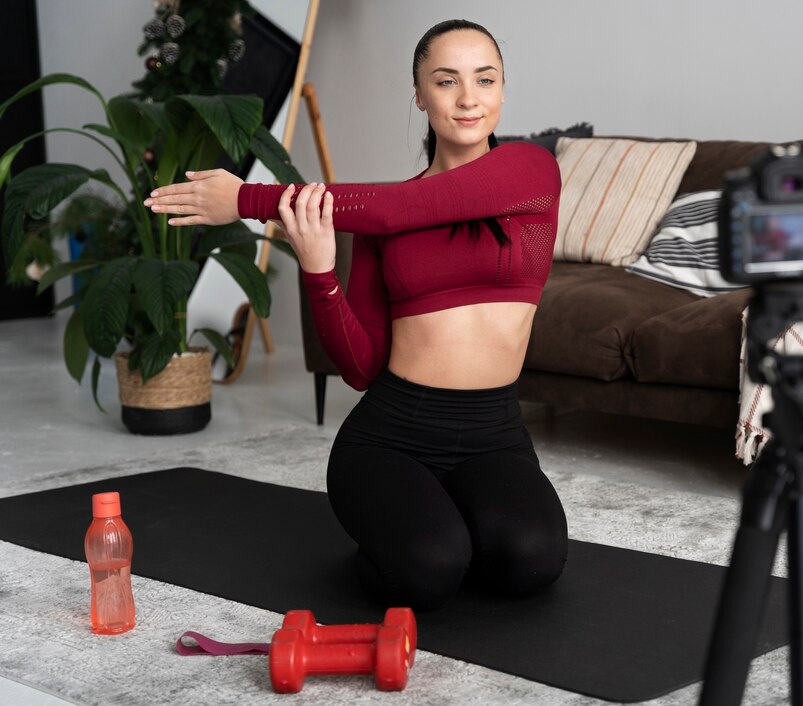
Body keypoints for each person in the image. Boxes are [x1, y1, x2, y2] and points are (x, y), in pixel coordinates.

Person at [144, 19, 569, 610]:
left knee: (533, 562)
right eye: (446, 82)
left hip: (494, 434)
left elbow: (405, 208)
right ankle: (404, 540)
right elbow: (363, 367)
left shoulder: (531, 172)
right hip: (392, 435)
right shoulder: (378, 224)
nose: (469, 98)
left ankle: (435, 524)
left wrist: (247, 199)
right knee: (431, 571)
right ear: (420, 96)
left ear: (502, 89)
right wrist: (321, 273)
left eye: (485, 79)